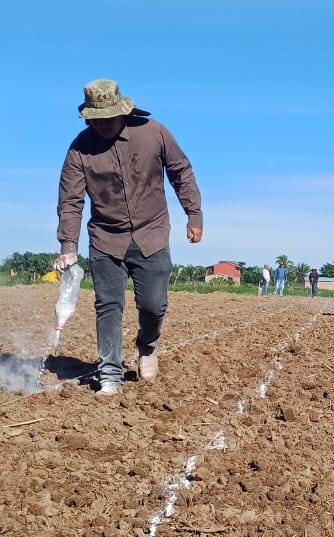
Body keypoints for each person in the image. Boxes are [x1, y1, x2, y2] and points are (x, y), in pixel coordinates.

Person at [54, 79, 203, 396]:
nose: (103, 124)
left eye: (108, 117)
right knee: (107, 305)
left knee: (153, 304)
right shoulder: (80, 149)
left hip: (152, 232)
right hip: (106, 237)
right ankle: (110, 373)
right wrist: (68, 246)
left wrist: (194, 213)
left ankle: (147, 346)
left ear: (123, 111)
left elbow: (181, 170)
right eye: (96, 119)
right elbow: (71, 201)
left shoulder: (153, 132)